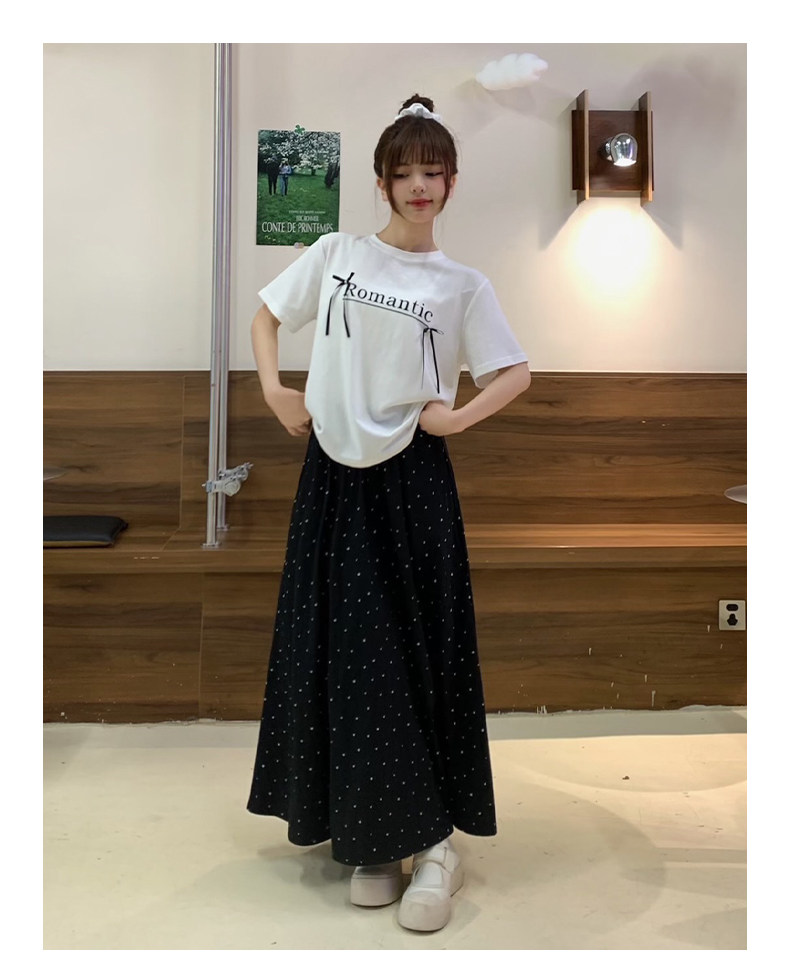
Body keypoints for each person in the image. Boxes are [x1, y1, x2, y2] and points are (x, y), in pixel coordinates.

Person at [246, 94, 531, 933]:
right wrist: (273, 389)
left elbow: (514, 372)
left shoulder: (462, 284)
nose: (418, 185)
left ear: (451, 181)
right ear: (380, 181)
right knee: (347, 652)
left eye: (432, 171)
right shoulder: (337, 253)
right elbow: (266, 317)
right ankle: (375, 834)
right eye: (403, 172)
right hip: (332, 479)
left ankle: (434, 841)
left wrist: (456, 418)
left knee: (415, 650)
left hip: (413, 482)